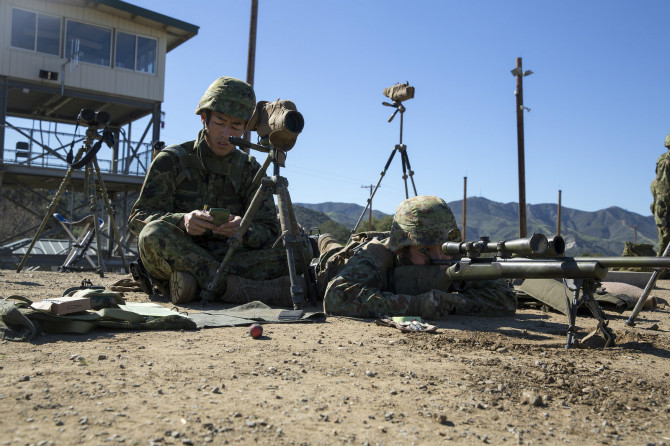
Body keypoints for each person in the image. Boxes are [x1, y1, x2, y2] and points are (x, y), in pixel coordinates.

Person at [129, 76, 296, 305]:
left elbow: (268, 229)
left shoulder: (249, 170)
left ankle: (202, 285)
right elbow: (138, 220)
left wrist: (243, 229)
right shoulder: (172, 160)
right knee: (152, 236)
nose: (226, 133)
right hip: (184, 252)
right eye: (220, 123)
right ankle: (240, 288)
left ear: (245, 127)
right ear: (204, 119)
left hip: (231, 257)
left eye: (236, 125)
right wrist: (182, 221)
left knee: (300, 246)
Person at [318, 195, 517, 319]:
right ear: (401, 249)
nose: (440, 259)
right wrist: (415, 305)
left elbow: (506, 298)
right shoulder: (377, 256)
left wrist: (453, 303)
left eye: (445, 248)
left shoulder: (449, 258)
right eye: (426, 250)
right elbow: (336, 297)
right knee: (329, 247)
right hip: (337, 260)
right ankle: (320, 239)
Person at [651, 133, 670, 256]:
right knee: (665, 239)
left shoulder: (662, 160)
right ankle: (662, 271)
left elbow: (654, 185)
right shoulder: (665, 162)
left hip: (662, 204)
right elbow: (663, 188)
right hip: (665, 205)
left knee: (665, 238)